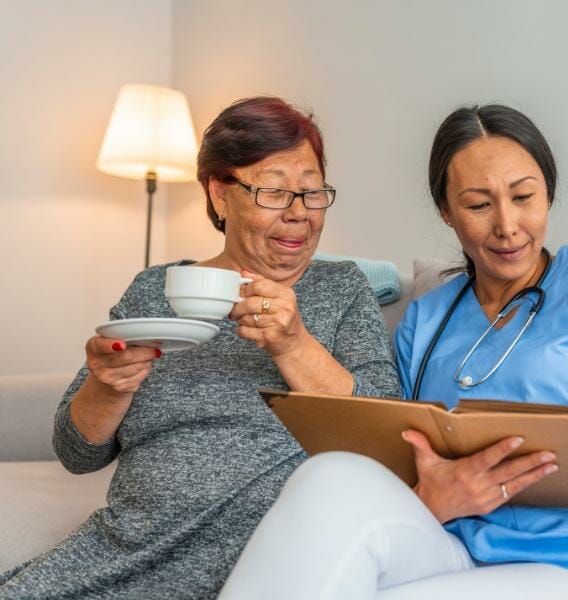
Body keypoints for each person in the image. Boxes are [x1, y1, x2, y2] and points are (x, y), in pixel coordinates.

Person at [220, 104, 568, 600]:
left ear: (548, 193)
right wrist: (433, 493)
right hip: (456, 551)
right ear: (446, 211)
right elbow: (400, 458)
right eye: (479, 205)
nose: (507, 225)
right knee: (330, 474)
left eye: (524, 196)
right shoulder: (427, 319)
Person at [0, 96, 401, 599]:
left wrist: (294, 346)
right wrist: (108, 385)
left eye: (312, 192)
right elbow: (76, 453)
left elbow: (389, 439)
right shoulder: (154, 291)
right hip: (127, 548)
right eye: (275, 192)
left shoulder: (341, 290)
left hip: (254, 560)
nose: (299, 214)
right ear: (219, 194)